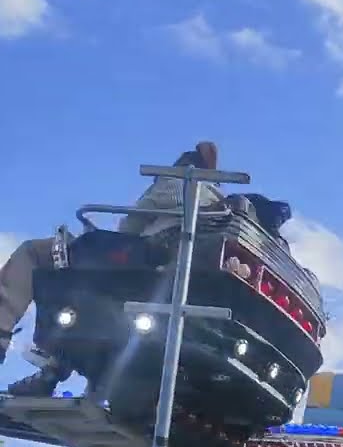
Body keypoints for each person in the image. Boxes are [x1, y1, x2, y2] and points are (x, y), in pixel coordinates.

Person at [0, 142, 221, 387]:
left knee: (35, 254)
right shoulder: (219, 206)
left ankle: (4, 332)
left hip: (138, 267)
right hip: (172, 287)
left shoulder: (172, 184)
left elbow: (129, 227)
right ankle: (56, 369)